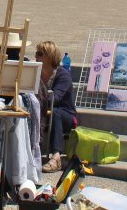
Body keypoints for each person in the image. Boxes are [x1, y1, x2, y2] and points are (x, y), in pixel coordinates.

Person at [36, 41, 77, 172]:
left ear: (49, 56)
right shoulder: (37, 73)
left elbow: (55, 98)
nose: (35, 56)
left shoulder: (62, 75)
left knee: (56, 112)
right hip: (46, 112)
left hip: (66, 115)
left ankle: (56, 157)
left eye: (39, 54)